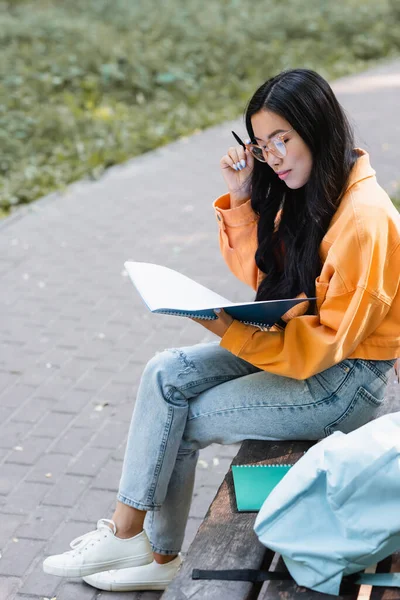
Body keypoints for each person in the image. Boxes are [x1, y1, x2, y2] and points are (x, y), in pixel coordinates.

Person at [42, 68, 400, 592]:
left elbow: (322, 349)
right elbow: (266, 276)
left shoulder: (365, 221)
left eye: (283, 139)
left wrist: (225, 326)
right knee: (166, 373)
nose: (272, 156)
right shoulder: (313, 189)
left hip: (343, 383)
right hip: (299, 344)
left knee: (185, 419)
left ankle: (156, 552)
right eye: (261, 144)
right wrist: (240, 197)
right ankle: (128, 538)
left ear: (318, 129)